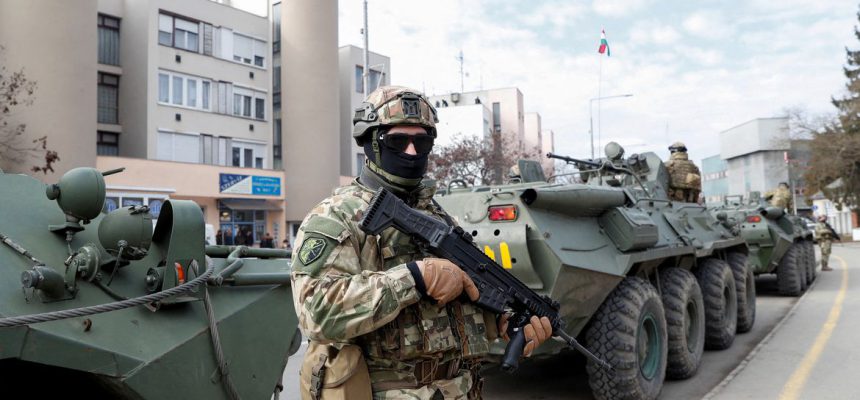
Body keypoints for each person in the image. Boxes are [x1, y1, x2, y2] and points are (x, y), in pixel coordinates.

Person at [291, 86, 551, 400]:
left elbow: (455, 303)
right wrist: (415, 277)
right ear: (371, 142)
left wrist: (504, 325)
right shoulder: (336, 217)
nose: (412, 152)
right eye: (398, 141)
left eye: (422, 141)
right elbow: (316, 313)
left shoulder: (437, 215)